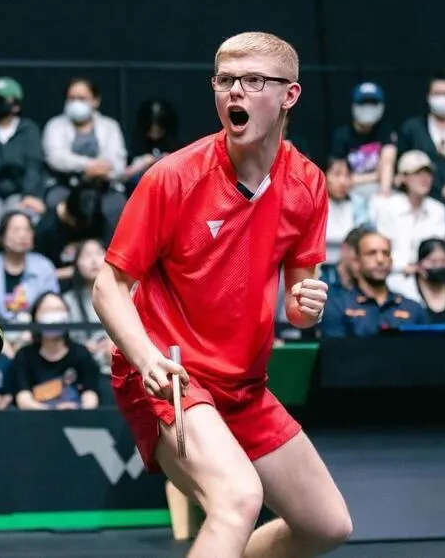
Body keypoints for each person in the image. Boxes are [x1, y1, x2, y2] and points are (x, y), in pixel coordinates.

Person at [93, 32, 352, 558]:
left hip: (245, 387)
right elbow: (109, 287)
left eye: (253, 80)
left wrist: (306, 307)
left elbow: (298, 309)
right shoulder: (174, 178)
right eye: (225, 80)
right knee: (237, 499)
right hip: (172, 373)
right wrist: (147, 361)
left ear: (289, 95)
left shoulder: (307, 184)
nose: (235, 92)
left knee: (325, 525)